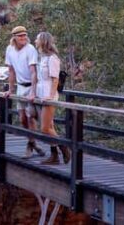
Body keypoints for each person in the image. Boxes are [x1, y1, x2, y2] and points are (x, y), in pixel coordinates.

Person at [3, 25, 45, 158]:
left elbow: (33, 72)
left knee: (30, 117)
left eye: (25, 35)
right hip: (20, 87)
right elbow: (11, 70)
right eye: (20, 36)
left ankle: (29, 147)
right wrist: (10, 89)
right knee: (22, 119)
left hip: (32, 87)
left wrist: (33, 92)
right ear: (14, 37)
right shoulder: (10, 49)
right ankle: (34, 144)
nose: (23, 38)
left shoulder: (30, 49)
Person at [34, 31, 70, 165]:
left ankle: (64, 147)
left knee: (44, 128)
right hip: (41, 94)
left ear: (43, 41)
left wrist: (50, 96)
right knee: (50, 127)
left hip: (49, 95)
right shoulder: (42, 57)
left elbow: (55, 79)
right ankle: (54, 156)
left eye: (37, 39)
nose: (35, 41)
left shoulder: (52, 58)